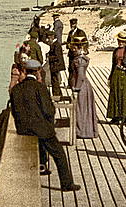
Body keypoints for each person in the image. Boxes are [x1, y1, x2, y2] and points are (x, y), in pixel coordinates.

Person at [9, 60, 80, 192]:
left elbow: (14, 111)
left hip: (23, 129)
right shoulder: (40, 88)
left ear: (24, 71)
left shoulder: (16, 89)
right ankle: (67, 184)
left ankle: (41, 165)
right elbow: (49, 110)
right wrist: (49, 124)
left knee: (40, 144)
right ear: (37, 72)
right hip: (41, 128)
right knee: (59, 154)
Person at [69, 35, 100, 139]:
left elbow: (81, 75)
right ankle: (86, 130)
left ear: (78, 48)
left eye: (74, 48)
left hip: (81, 86)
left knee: (81, 108)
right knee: (85, 108)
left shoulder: (79, 60)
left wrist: (76, 88)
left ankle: (82, 131)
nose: (72, 50)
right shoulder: (81, 59)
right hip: (84, 85)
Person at [106, 31, 126, 123]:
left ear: (125, 42)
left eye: (122, 41)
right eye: (119, 41)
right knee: (115, 94)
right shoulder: (115, 51)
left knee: (125, 96)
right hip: (116, 73)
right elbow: (113, 64)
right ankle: (115, 117)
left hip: (125, 75)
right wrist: (110, 77)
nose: (120, 43)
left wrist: (125, 67)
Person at [47, 30, 66, 96]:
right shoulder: (55, 44)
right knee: (55, 80)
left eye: (49, 38)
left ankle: (56, 94)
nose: (48, 39)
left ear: (52, 37)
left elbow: (57, 56)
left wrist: (49, 58)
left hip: (56, 65)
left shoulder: (56, 45)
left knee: (55, 80)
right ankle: (58, 93)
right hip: (55, 65)